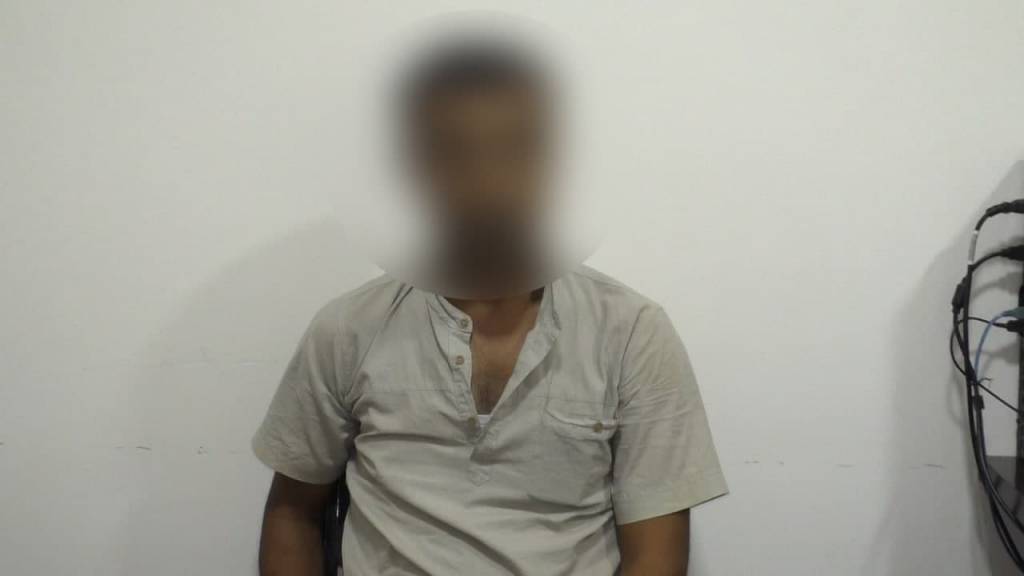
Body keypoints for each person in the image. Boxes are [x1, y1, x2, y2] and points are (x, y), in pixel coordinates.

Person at [253, 40, 728, 576]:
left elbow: (656, 554)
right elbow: (292, 514)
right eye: (456, 151)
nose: (486, 180)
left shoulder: (633, 332)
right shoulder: (348, 328)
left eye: (515, 148)